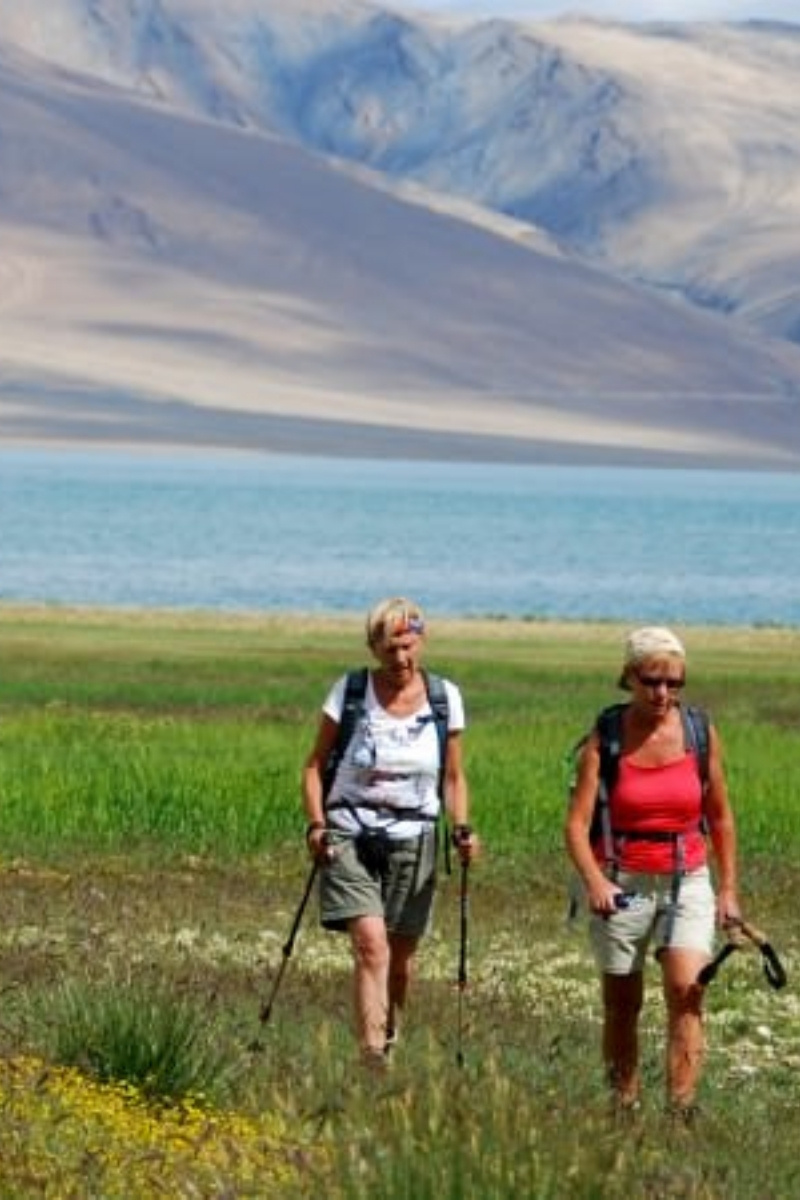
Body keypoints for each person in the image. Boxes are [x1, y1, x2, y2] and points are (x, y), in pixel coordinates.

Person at [565, 626, 740, 1119]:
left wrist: (727, 890)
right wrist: (596, 882)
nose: (663, 693)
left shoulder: (701, 733)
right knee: (623, 1004)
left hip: (688, 880)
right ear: (629, 677)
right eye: (652, 681)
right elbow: (576, 826)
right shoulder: (608, 737)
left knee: (688, 992)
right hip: (622, 884)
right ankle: (623, 1107)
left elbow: (722, 817)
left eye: (674, 683)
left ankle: (680, 1112)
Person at [302, 596, 478, 1069]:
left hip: (415, 835)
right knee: (371, 945)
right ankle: (372, 1059)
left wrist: (462, 828)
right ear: (373, 647)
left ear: (422, 640)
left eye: (408, 645)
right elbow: (315, 766)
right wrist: (317, 825)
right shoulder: (351, 691)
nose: (401, 658)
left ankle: (390, 1040)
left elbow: (455, 777)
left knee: (400, 960)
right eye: (390, 648)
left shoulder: (445, 698)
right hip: (348, 831)